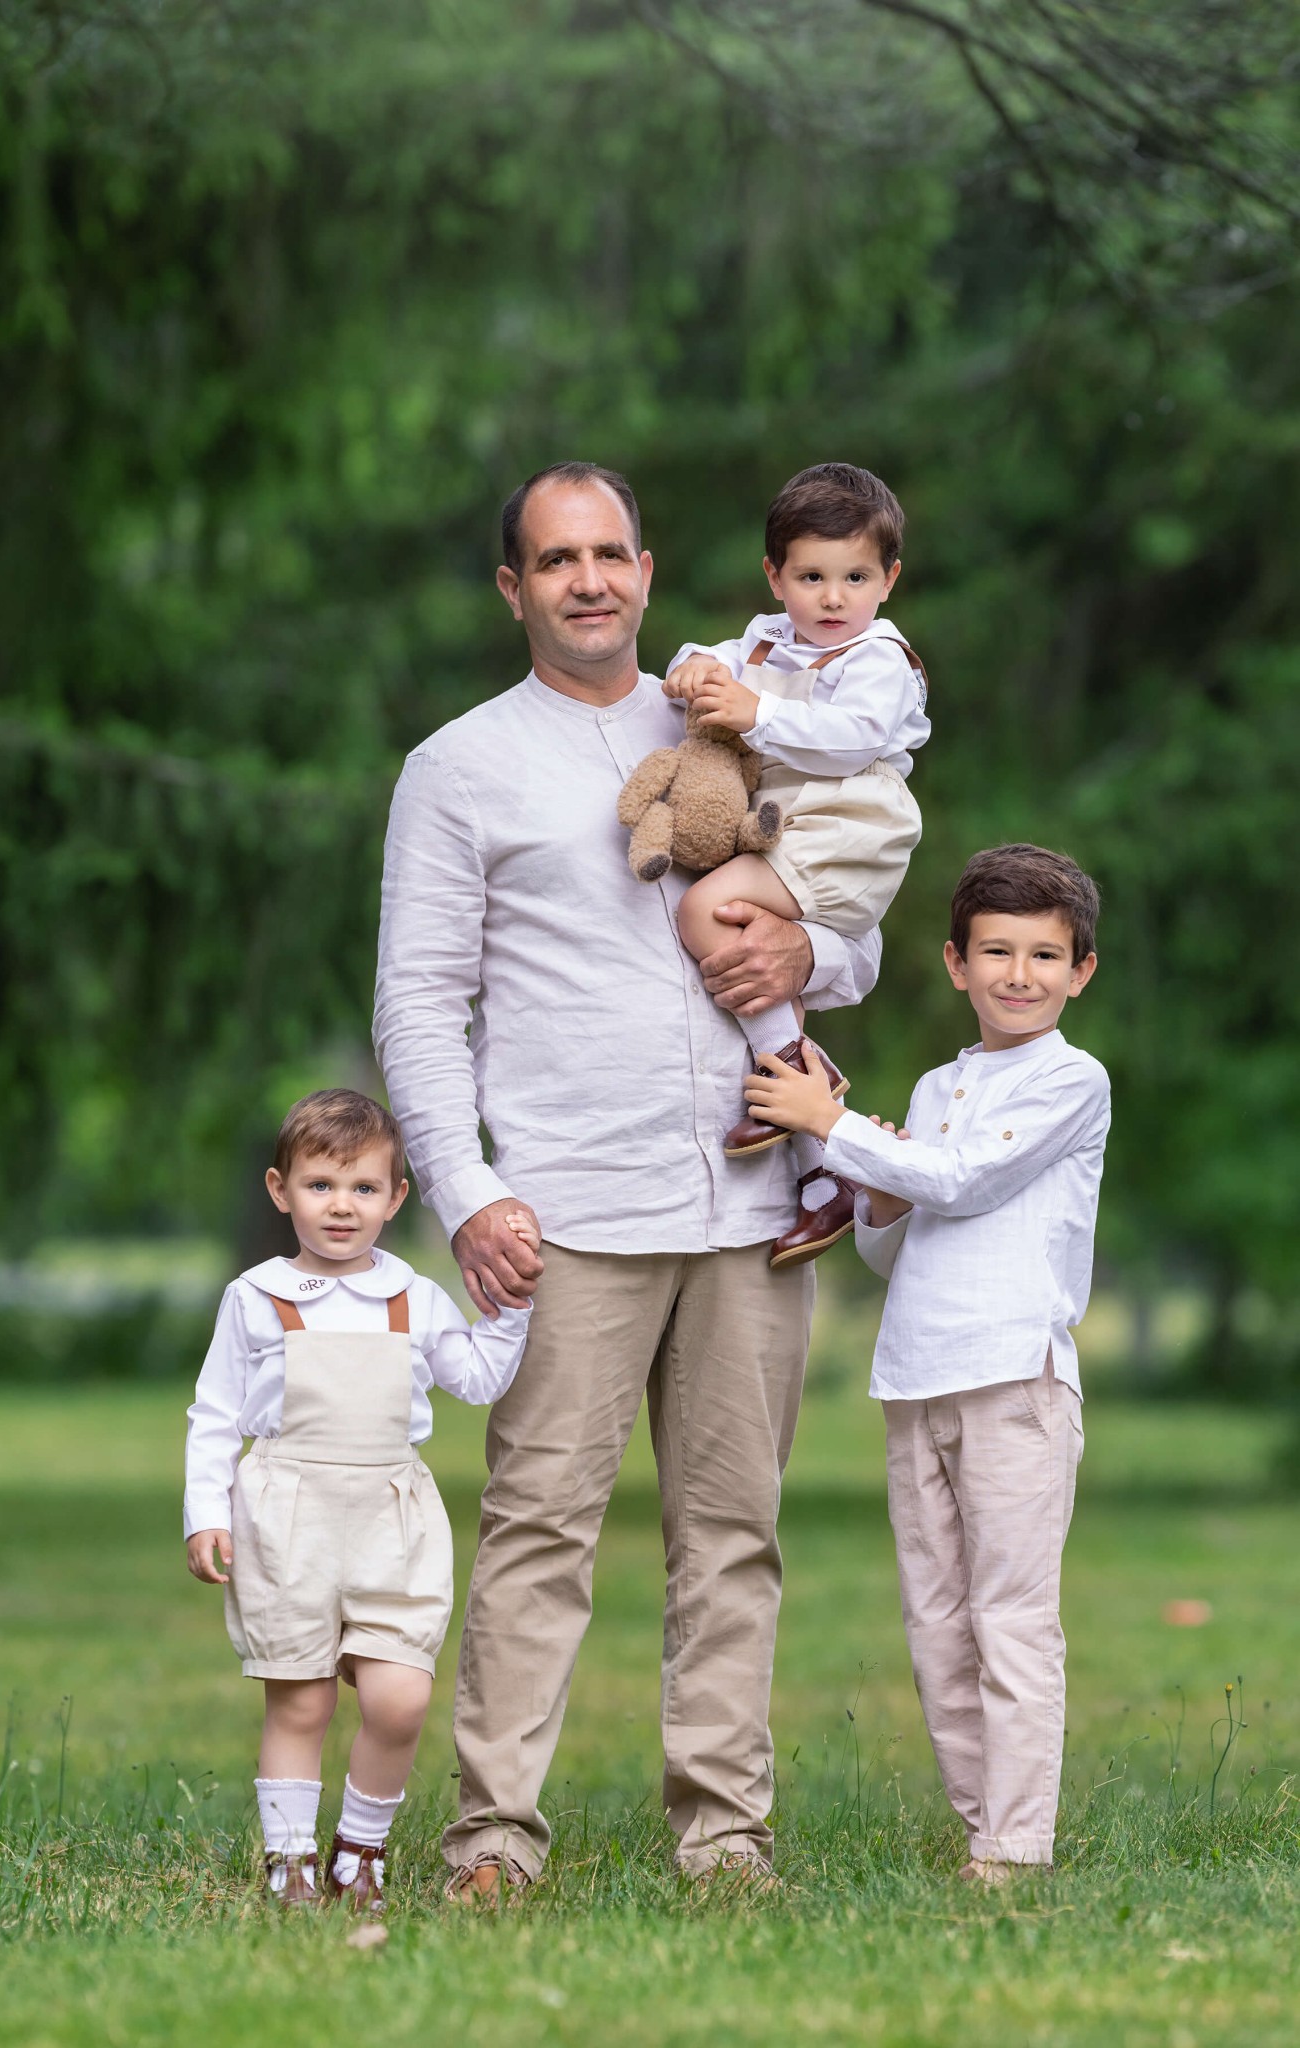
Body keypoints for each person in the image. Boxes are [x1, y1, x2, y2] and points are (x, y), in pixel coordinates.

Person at [374, 461, 883, 1899]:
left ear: (649, 574)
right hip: (566, 1212)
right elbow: (418, 1003)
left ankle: (724, 1834)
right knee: (537, 1530)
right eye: (555, 560)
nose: (587, 580)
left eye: (610, 554)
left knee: (733, 1535)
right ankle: (492, 1840)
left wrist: (814, 961)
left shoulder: (738, 723)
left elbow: (849, 914)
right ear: (512, 589)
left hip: (750, 1206)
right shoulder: (459, 766)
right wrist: (467, 1194)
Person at [741, 843, 1109, 1884]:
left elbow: (964, 1177)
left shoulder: (1071, 1079)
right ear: (955, 962)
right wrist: (878, 1191)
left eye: (1044, 954)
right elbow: (896, 1234)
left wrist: (831, 1124)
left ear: (1080, 970)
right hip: (917, 1376)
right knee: (937, 1620)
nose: (1018, 973)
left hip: (1012, 1380)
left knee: (1007, 1616)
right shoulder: (940, 1081)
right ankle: (977, 1822)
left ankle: (1015, 1841)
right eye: (996, 950)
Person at [183, 1087, 533, 1912]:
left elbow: (476, 1380)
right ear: (281, 1190)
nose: (342, 1206)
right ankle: (292, 1862)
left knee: (400, 1695)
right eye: (320, 1186)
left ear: (395, 1198)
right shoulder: (256, 1297)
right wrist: (207, 1511)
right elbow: (214, 1415)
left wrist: (512, 1311)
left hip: (390, 1514)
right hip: (288, 1513)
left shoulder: (412, 1296)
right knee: (300, 1697)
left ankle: (361, 1850)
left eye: (364, 1188)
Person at [663, 462, 931, 1267]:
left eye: (854, 577)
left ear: (888, 579)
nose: (832, 598)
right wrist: (695, 671)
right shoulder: (766, 637)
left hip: (848, 823)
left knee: (705, 911)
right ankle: (825, 1169)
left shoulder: (883, 659)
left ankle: (790, 1067)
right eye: (811, 576)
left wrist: (757, 710)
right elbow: (698, 655)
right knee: (752, 948)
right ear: (775, 576)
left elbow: (851, 735)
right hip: (791, 826)